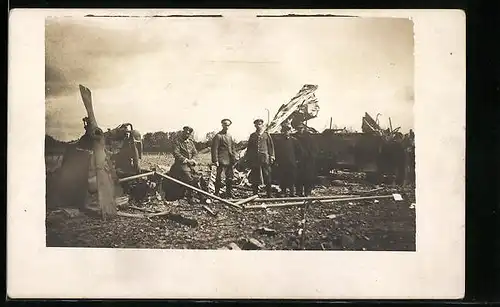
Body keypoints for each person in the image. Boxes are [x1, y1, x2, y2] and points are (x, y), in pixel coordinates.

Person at [244, 119, 275, 198]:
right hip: (255, 158)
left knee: (267, 175)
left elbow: (271, 147)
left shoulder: (266, 135)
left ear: (262, 125)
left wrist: (272, 156)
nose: (258, 126)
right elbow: (249, 148)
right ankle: (255, 193)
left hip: (265, 158)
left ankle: (269, 193)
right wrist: (247, 157)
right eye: (257, 124)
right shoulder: (253, 136)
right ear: (255, 126)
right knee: (255, 176)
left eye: (260, 124)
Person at [168, 126, 199, 202]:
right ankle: (190, 196)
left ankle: (202, 195)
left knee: (198, 176)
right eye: (185, 133)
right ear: (182, 133)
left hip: (190, 164)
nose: (186, 135)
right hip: (180, 164)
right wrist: (186, 160)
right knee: (188, 178)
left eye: (188, 134)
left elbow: (195, 152)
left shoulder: (191, 143)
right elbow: (176, 153)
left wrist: (193, 160)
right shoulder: (177, 141)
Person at [211, 118, 237, 198]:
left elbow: (232, 147)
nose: (227, 126)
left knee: (229, 177)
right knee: (219, 177)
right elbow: (214, 149)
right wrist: (215, 160)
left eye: (228, 125)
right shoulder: (218, 136)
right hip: (221, 160)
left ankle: (229, 193)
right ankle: (217, 193)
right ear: (222, 125)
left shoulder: (230, 136)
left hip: (229, 160)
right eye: (225, 124)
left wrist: (234, 157)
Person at [275, 125, 303, 197]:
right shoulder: (279, 141)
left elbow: (299, 151)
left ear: (290, 131)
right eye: (284, 131)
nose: (286, 132)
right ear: (282, 131)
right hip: (282, 163)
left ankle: (292, 192)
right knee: (283, 177)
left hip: (292, 163)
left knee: (292, 177)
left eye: (287, 131)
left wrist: (297, 160)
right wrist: (277, 161)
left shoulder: (294, 140)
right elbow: (276, 152)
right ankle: (283, 192)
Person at [294, 123, 319, 196]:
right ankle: (299, 192)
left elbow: (315, 149)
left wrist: (311, 157)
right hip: (298, 161)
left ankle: (307, 192)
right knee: (298, 177)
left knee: (308, 177)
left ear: (303, 129)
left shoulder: (309, 138)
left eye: (301, 128)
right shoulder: (294, 137)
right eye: (298, 128)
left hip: (308, 161)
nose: (300, 130)